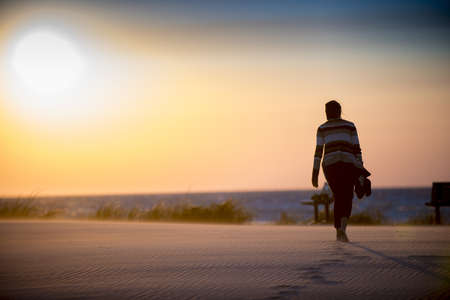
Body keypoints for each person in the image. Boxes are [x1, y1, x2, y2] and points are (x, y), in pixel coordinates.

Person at [312, 100, 365, 242]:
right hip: (345, 164)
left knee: (340, 195)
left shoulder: (324, 128)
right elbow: (357, 150)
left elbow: (318, 152)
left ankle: (340, 230)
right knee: (346, 196)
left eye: (327, 111)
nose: (327, 113)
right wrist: (360, 168)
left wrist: (315, 173)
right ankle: (341, 229)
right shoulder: (349, 126)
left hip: (333, 166)